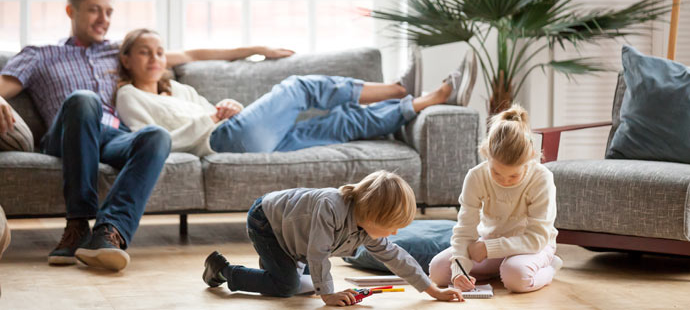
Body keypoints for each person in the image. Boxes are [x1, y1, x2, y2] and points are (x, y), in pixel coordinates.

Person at [0, 0, 294, 271]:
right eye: (94, 10)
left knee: (155, 135)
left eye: (109, 11)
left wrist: (256, 50)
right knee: (83, 99)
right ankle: (77, 225)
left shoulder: (118, 51)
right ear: (70, 11)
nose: (104, 18)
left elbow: (192, 54)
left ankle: (108, 233)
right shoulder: (40, 55)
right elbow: (3, 86)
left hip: (112, 136)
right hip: (67, 136)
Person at [114, 29, 472, 156]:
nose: (155, 58)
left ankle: (424, 100)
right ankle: (397, 87)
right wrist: (211, 119)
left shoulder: (178, 88)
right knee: (299, 87)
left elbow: (214, 109)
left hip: (241, 134)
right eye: (144, 52)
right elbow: (149, 141)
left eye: (159, 52)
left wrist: (229, 106)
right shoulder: (129, 96)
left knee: (340, 123)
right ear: (127, 59)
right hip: (221, 140)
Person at [202, 170, 464, 305]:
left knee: (302, 286)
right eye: (391, 227)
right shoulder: (331, 206)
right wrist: (328, 294)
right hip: (267, 222)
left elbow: (397, 258)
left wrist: (433, 290)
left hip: (295, 237)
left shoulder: (367, 229)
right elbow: (318, 253)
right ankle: (223, 270)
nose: (394, 234)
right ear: (372, 215)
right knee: (287, 287)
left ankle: (275, 268)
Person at [428, 105, 563, 293]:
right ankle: (499, 270)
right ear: (486, 154)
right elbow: (465, 231)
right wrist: (460, 271)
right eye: (496, 173)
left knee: (516, 278)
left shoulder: (542, 178)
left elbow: (536, 239)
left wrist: (488, 248)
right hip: (490, 242)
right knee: (438, 272)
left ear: (531, 158)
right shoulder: (476, 176)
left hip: (533, 246)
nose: (504, 181)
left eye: (513, 176)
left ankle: (548, 268)